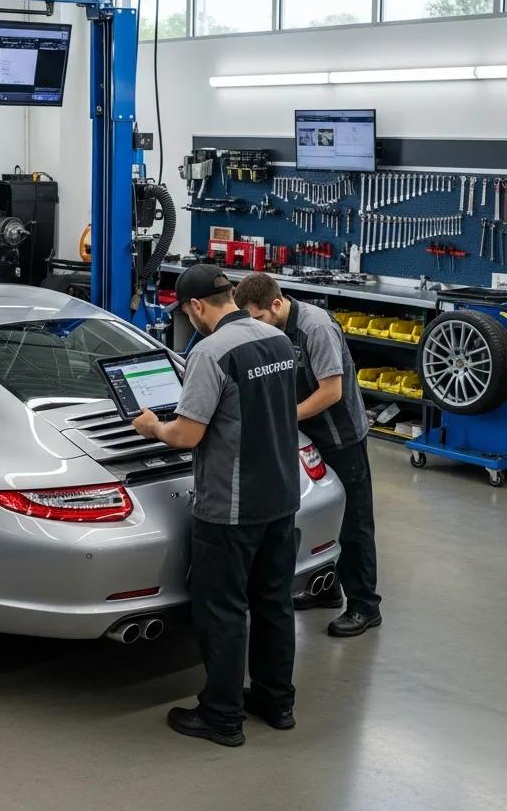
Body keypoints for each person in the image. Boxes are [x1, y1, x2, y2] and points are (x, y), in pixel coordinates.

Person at [132, 264, 300, 747]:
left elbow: (186, 435)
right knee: (273, 604)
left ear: (197, 306)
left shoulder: (210, 352)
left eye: (187, 312)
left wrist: (151, 427)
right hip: (282, 495)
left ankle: (222, 715)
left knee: (222, 611)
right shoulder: (276, 339)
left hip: (230, 505)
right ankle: (275, 701)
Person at [234, 273, 382, 638]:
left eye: (259, 319)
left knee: (353, 522)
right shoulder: (270, 329)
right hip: (302, 434)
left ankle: (365, 605)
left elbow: (331, 391)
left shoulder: (315, 327)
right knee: (315, 512)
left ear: (277, 304)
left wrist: (282, 416)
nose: (256, 329)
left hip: (339, 435)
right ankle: (326, 587)